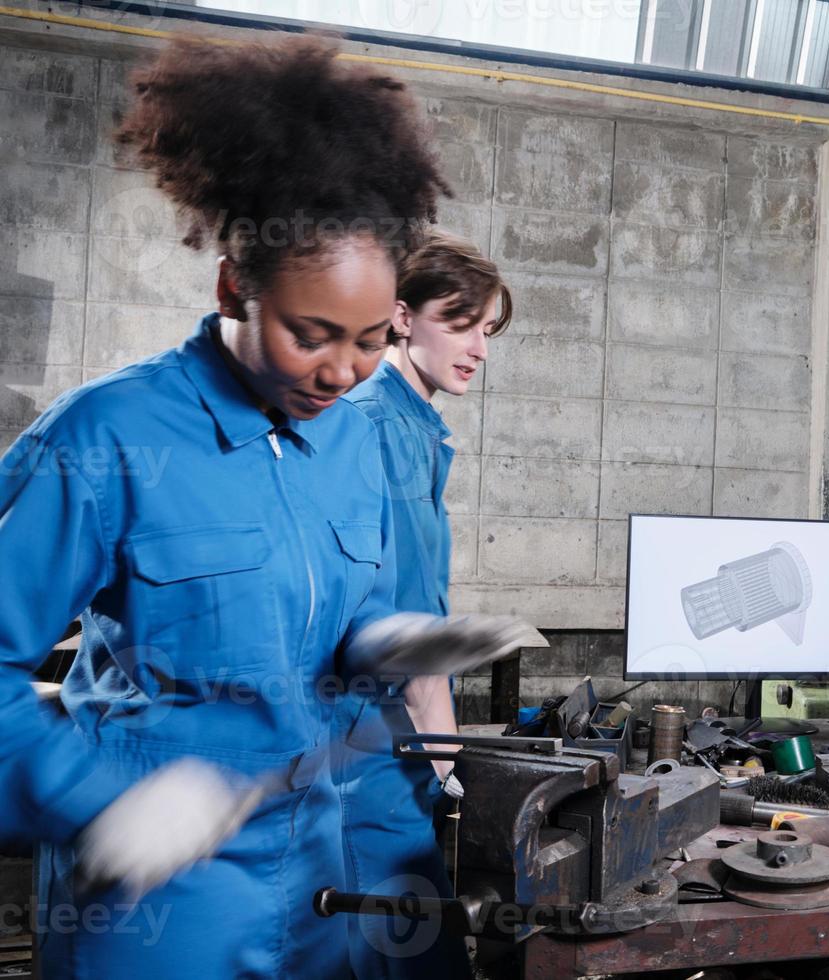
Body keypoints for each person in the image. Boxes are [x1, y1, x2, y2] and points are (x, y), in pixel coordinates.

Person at [0, 36, 530, 977]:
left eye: (370, 341)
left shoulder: (355, 437)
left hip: (319, 878)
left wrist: (389, 642)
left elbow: (332, 624)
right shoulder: (108, 439)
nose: (341, 371)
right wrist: (94, 800)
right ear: (232, 286)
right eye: (311, 334)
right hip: (160, 897)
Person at [335, 233, 511, 978]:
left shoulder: (409, 424)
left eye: (487, 330)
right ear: (402, 317)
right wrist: (446, 776)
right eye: (459, 322)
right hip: (370, 749)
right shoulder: (384, 427)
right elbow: (413, 643)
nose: (477, 347)